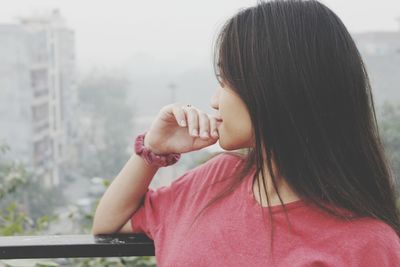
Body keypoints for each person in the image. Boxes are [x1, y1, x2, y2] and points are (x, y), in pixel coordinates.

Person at [92, 0, 400, 266]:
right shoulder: (215, 178)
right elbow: (109, 222)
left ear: (275, 89)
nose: (214, 100)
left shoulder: (367, 244)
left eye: (226, 80)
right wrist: (153, 149)